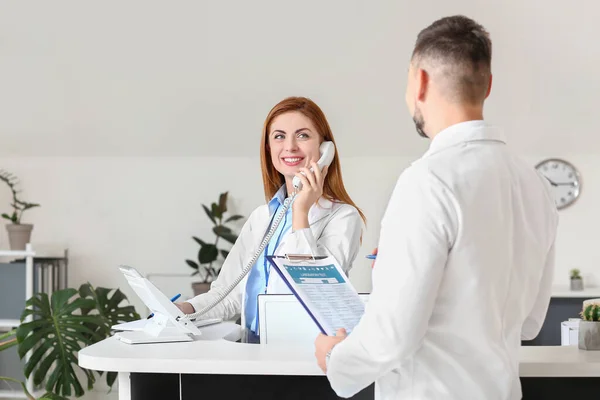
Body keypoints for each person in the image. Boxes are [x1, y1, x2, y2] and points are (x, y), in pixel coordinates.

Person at [314, 15, 559, 399]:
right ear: (488, 86)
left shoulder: (426, 182)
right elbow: (529, 322)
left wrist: (337, 358)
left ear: (421, 81)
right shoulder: (535, 185)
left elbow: (392, 337)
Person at [177, 96, 366, 343]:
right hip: (252, 352)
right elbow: (228, 293)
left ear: (324, 149)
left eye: (303, 135)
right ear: (268, 147)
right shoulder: (262, 217)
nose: (290, 147)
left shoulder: (343, 217)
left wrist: (301, 212)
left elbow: (315, 292)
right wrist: (185, 310)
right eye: (279, 136)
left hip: (302, 357)